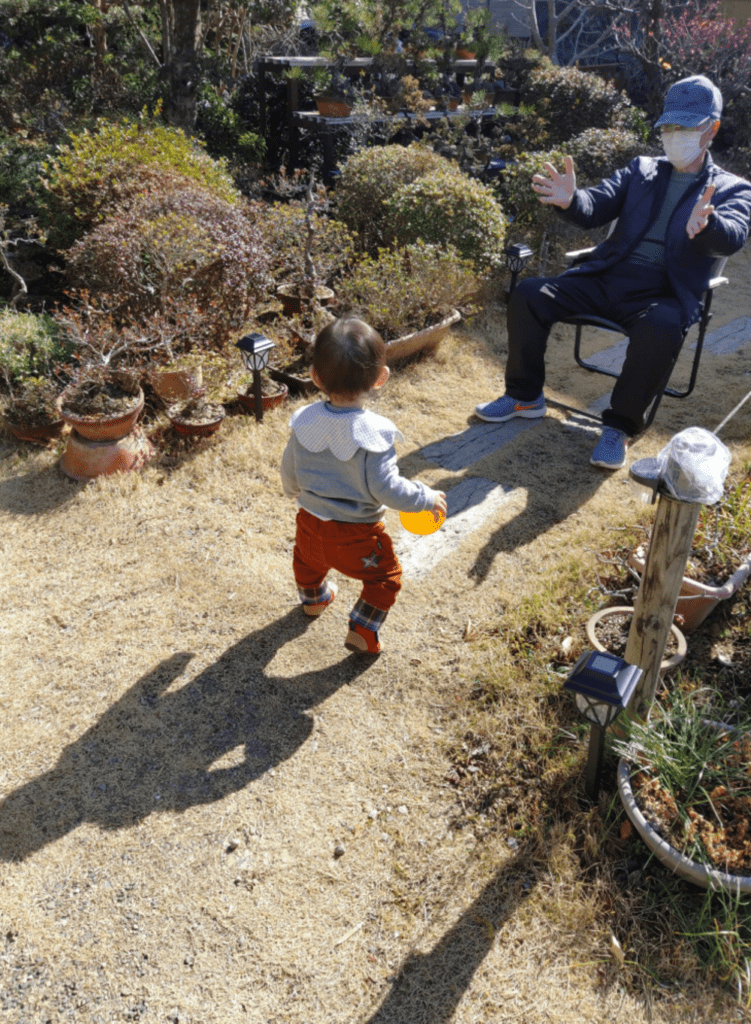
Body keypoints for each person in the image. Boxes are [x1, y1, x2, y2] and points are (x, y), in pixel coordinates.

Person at [476, 74, 751, 469]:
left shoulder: (733, 188)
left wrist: (708, 227)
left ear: (712, 129)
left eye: (686, 127)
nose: (675, 135)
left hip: (664, 292)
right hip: (608, 276)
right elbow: (596, 204)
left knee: (662, 328)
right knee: (529, 295)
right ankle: (524, 396)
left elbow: (733, 235)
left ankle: (619, 427)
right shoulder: (642, 170)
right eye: (669, 126)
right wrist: (571, 201)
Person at [281, 316, 447, 655]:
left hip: (310, 524)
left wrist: (292, 489)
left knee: (307, 563)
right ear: (380, 379)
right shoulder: (375, 434)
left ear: (315, 377)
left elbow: (289, 466)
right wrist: (425, 496)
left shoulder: (304, 420)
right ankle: (362, 627)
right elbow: (386, 489)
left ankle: (314, 600)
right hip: (357, 538)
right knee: (384, 578)